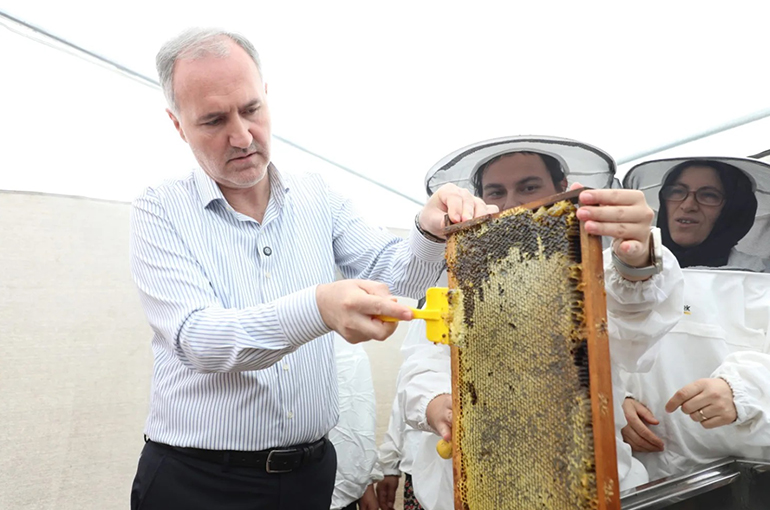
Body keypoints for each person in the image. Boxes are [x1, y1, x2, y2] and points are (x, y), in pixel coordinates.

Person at [128, 28, 495, 510]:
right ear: (178, 125)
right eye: (214, 120)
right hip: (199, 482)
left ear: (267, 97)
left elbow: (397, 280)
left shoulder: (317, 195)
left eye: (251, 110)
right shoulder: (159, 209)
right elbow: (200, 339)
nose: (241, 136)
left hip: (308, 476)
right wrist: (318, 307)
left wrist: (427, 232)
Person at [397, 136, 685, 508]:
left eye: (529, 187)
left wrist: (637, 260)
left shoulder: (600, 262)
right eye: (497, 191)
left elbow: (637, 331)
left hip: (577, 474)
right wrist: (436, 402)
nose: (513, 202)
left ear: (560, 189)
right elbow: (422, 358)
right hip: (476, 481)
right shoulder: (457, 273)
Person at [620, 157, 770, 481]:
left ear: (734, 208)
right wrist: (618, 401)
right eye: (678, 191)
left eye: (708, 195)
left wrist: (742, 393)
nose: (687, 205)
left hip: (744, 482)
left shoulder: (761, 284)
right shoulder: (630, 278)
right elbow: (611, 349)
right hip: (648, 485)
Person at [329, 334, 380, 510]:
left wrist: (365, 480)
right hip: (249, 479)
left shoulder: (331, 319)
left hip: (336, 487)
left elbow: (354, 394)